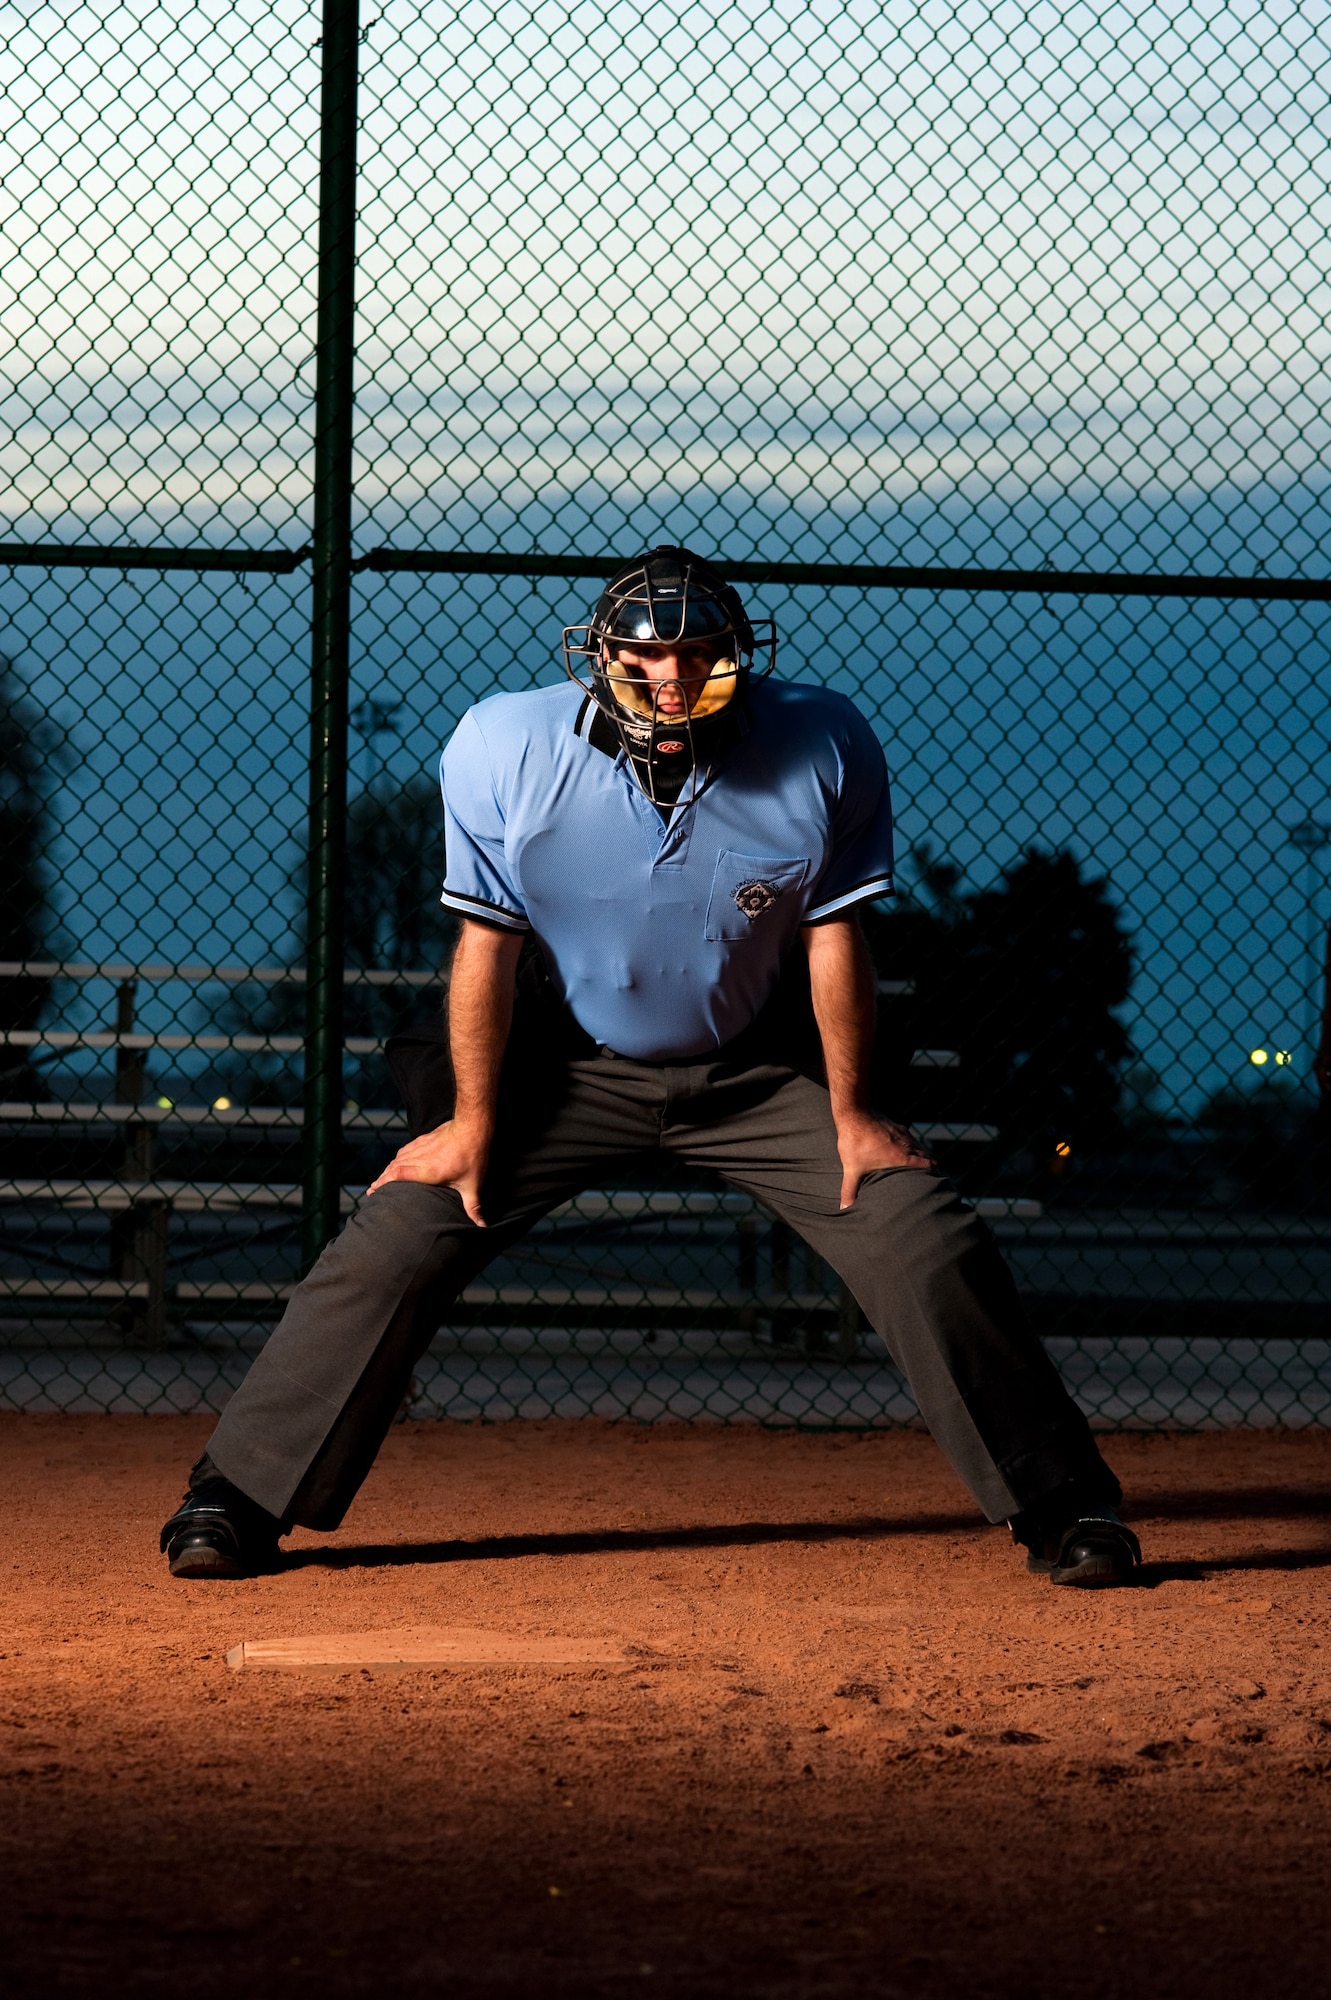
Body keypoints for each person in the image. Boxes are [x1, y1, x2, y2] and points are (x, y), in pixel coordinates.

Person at [160, 546, 1141, 1588]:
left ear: (736, 655)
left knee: (917, 1226)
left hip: (752, 1069)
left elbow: (833, 942)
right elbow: (483, 946)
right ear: (600, 657)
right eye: (646, 659)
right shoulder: (502, 743)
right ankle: (235, 1494)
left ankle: (1065, 1506)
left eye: (697, 655)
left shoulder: (823, 740)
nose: (671, 680)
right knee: (403, 1227)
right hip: (565, 1063)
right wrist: (473, 1121)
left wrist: (855, 1111)